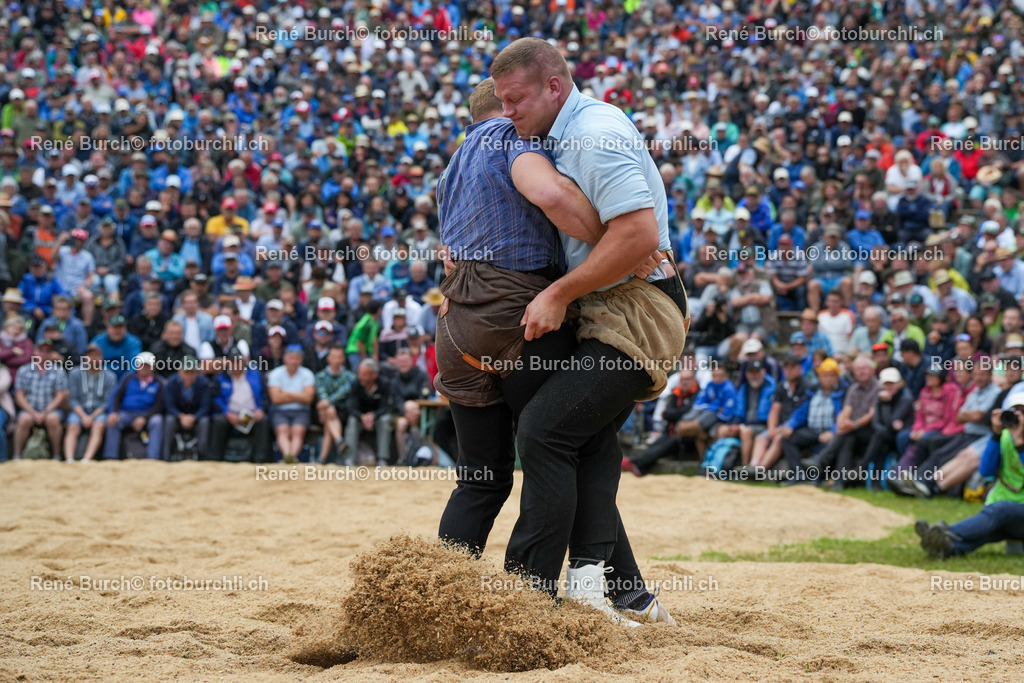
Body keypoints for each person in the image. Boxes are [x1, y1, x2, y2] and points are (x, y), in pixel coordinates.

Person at [490, 39, 687, 620]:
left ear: (554, 87)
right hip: (605, 304)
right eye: (501, 102)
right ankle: (627, 593)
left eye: (516, 99)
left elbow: (639, 237)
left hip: (638, 310)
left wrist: (557, 292)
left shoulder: (593, 134)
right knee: (582, 438)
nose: (508, 113)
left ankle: (530, 592)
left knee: (546, 430)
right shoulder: (555, 135)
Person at [916, 396, 1024, 558]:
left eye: (1022, 412)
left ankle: (945, 532)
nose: (1017, 416)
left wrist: (1020, 445)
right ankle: (947, 547)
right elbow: (986, 471)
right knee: (984, 532)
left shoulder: (1016, 439)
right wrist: (995, 435)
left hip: (1011, 509)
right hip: (1006, 509)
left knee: (1000, 510)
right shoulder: (1005, 436)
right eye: (1014, 411)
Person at [211, 353, 272, 463]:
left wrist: (261, 409)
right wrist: (227, 412)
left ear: (244, 361)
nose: (236, 365)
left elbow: (265, 395)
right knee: (219, 421)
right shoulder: (221, 376)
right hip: (229, 415)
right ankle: (215, 459)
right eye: (233, 362)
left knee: (263, 421)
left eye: (239, 361)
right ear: (228, 363)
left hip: (252, 414)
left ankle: (260, 460)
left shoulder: (256, 374)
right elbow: (216, 398)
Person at [12, 341, 68, 460]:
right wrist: (33, 412)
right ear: (35, 352)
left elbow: (60, 395)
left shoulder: (58, 371)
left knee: (53, 419)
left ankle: (57, 455)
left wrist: (45, 412)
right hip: (29, 409)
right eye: (41, 350)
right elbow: (19, 395)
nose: (44, 354)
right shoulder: (24, 370)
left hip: (51, 410)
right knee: (24, 419)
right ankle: (17, 455)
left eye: (48, 351)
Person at [104, 351, 164, 460]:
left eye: (147, 365)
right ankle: (111, 456)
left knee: (157, 421)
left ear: (153, 367)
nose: (144, 368)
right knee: (113, 420)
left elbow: (159, 405)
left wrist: (144, 418)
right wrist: (114, 412)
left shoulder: (159, 382)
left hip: (148, 414)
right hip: (127, 413)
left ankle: (153, 457)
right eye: (141, 365)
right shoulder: (127, 378)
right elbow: (116, 397)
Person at [64, 344, 117, 462]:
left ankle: (86, 459)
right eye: (90, 355)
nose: (93, 358)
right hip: (79, 410)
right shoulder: (75, 373)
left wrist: (92, 416)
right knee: (73, 426)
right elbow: (73, 399)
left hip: (98, 412)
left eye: (96, 355)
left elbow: (107, 401)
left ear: (102, 357)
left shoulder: (110, 376)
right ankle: (69, 459)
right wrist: (83, 416)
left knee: (98, 426)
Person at [267, 344, 316, 463]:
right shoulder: (276, 373)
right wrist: (299, 396)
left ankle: (291, 457)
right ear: (285, 358)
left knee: (297, 431)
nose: (294, 361)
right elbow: (275, 398)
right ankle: (288, 455)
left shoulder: (307, 374)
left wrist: (287, 394)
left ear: (301, 360)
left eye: (297, 358)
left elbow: (308, 398)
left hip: (301, 410)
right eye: (291, 358)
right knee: (282, 430)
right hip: (280, 410)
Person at [346, 359, 395, 467]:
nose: (361, 377)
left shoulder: (384, 384)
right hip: (360, 418)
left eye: (364, 374)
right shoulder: (356, 384)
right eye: (360, 374)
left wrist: (373, 415)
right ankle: (349, 460)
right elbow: (351, 407)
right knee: (352, 421)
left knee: (385, 421)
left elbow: (386, 407)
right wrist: (362, 417)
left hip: (378, 417)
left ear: (374, 375)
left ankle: (383, 459)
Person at [162, 355, 212, 460]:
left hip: (196, 417)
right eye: (186, 372)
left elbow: (206, 407)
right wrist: (181, 417)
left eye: (192, 372)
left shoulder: (204, 383)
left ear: (196, 372)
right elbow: (169, 405)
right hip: (178, 417)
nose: (189, 375)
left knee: (205, 422)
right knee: (169, 420)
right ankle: (166, 456)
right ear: (179, 371)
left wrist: (194, 417)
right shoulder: (171, 383)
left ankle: (202, 457)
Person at [314, 345, 355, 464]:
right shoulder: (320, 376)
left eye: (339, 357)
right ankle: (339, 442)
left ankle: (321, 459)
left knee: (328, 422)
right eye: (333, 357)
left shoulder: (350, 377)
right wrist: (329, 405)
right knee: (329, 413)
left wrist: (329, 403)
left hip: (344, 411)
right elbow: (321, 393)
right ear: (328, 358)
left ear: (343, 359)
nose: (336, 360)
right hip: (325, 411)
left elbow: (343, 393)